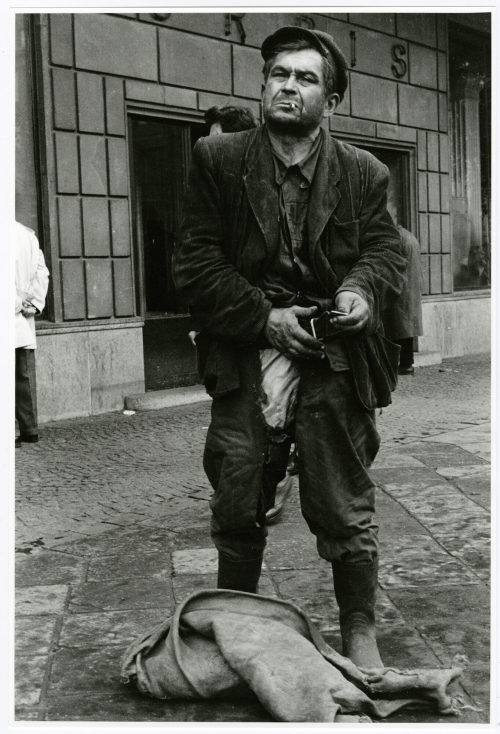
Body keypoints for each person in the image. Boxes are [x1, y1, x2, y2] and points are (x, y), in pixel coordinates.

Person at [174, 26, 406, 670]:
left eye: (305, 78)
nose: (287, 86)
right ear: (262, 83)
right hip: (248, 353)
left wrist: (360, 292)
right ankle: (231, 626)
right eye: (278, 73)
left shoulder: (363, 172)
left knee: (342, 496)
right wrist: (266, 318)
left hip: (338, 357)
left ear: (330, 100)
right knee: (238, 488)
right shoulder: (217, 161)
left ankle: (360, 629)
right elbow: (193, 265)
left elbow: (386, 250)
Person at [15, 221, 49, 447]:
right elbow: (41, 272)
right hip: (20, 320)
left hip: (11, 312)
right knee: (20, 377)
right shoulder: (26, 235)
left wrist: (16, 301)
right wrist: (34, 303)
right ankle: (29, 429)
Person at [383, 225, 423, 375]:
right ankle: (407, 363)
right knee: (406, 330)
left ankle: (404, 363)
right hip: (411, 287)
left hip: (401, 288)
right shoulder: (410, 237)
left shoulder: (398, 238)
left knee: (397, 329)